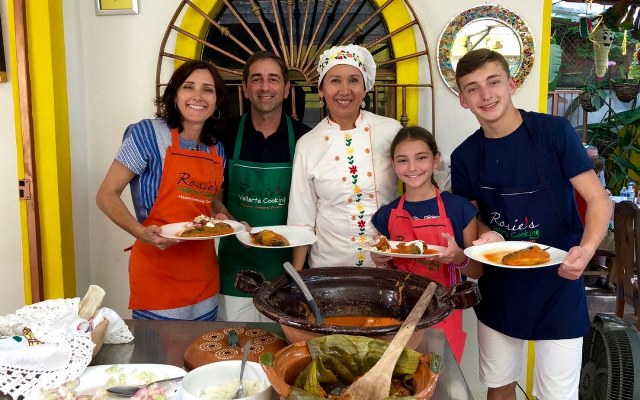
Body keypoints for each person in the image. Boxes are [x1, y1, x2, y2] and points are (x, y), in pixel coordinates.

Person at [451, 49, 612, 400]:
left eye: (493, 82)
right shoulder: (463, 157)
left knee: (557, 394)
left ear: (511, 83)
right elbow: (473, 218)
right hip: (500, 287)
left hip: (558, 281)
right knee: (499, 385)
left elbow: (599, 199)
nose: (486, 95)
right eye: (473, 88)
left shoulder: (554, 133)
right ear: (463, 100)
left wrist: (585, 250)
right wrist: (483, 233)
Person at [96, 60, 232, 321]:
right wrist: (140, 233)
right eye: (188, 87)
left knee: (199, 358)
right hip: (158, 274)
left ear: (216, 101)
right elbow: (106, 194)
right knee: (159, 360)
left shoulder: (217, 148)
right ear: (175, 94)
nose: (198, 97)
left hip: (204, 276)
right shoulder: (146, 134)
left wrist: (228, 220)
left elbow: (213, 201)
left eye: (208, 90)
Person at [370, 126, 480, 363]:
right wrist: (379, 261)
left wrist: (458, 257)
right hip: (400, 314)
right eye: (402, 160)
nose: (412, 168)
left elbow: (477, 271)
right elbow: (389, 273)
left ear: (436, 159)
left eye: (421, 158)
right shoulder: (387, 215)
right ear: (393, 164)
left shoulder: (459, 209)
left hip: (444, 312)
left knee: (441, 379)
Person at [287, 44, 402, 269]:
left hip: (387, 262)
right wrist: (298, 278)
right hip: (329, 266)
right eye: (335, 80)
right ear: (321, 89)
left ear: (365, 86)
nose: (344, 90)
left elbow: (420, 186)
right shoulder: (308, 144)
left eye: (353, 80)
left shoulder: (391, 131)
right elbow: (302, 220)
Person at [217, 51, 311, 322]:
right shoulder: (225, 135)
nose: (265, 87)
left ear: (286, 88)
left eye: (273, 79)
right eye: (256, 80)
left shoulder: (306, 139)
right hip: (235, 267)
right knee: (235, 351)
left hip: (288, 271)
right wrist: (234, 225)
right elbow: (213, 196)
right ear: (246, 88)